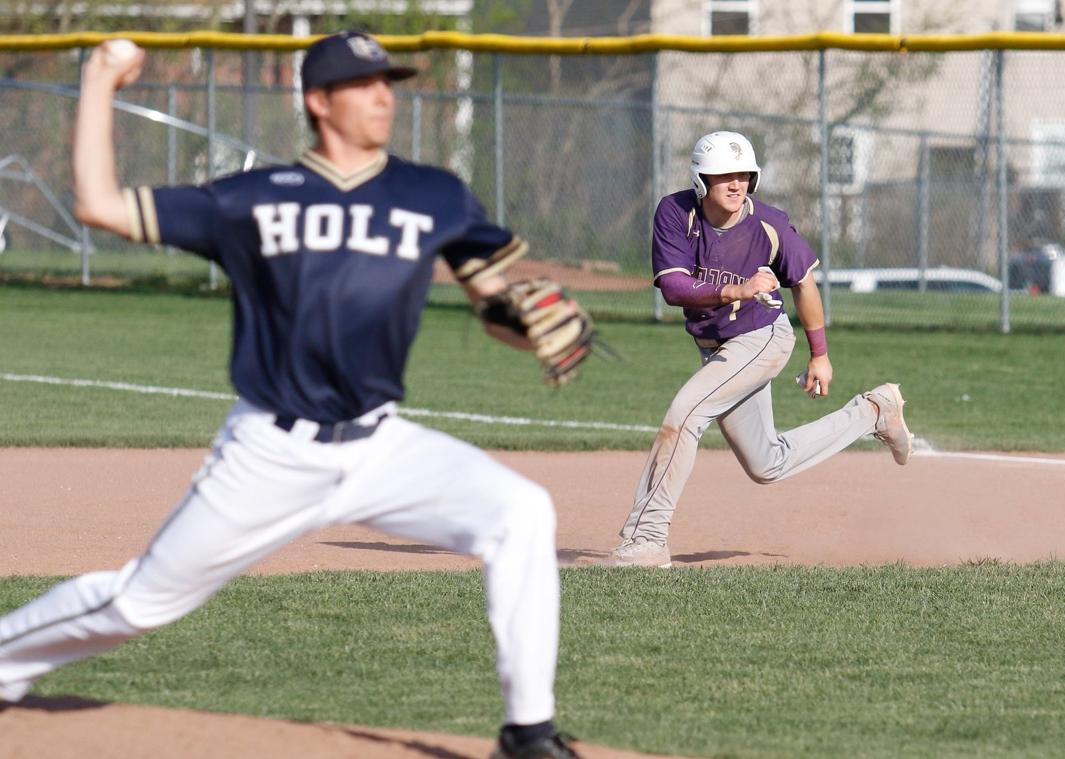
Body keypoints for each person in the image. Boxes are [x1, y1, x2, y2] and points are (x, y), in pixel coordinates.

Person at [0, 32, 581, 759]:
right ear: (318, 102)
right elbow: (99, 205)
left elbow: (495, 304)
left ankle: (528, 732)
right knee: (139, 602)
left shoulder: (435, 194)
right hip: (271, 451)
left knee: (521, 511)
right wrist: (98, 81)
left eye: (388, 82)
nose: (383, 96)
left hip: (381, 445)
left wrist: (532, 326)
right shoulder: (248, 200)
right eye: (364, 84)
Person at [604, 130, 913, 569]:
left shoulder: (770, 222)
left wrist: (819, 354)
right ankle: (874, 412)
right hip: (717, 347)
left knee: (686, 414)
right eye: (722, 176)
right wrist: (736, 289)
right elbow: (673, 287)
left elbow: (804, 282)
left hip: (763, 337)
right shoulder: (675, 212)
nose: (735, 185)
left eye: (744, 175)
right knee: (766, 463)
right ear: (700, 179)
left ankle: (647, 539)